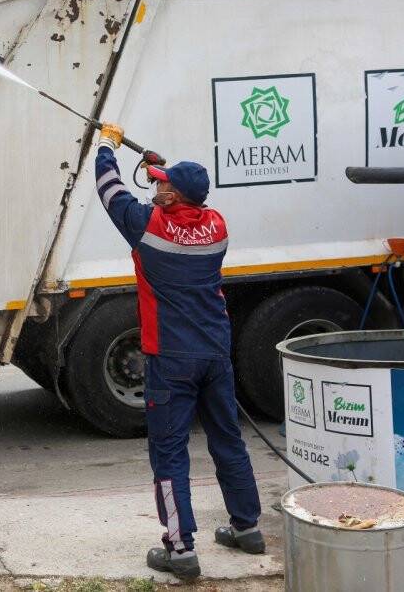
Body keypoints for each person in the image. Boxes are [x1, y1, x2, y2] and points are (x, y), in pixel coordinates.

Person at [93, 123, 264, 581]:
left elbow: (109, 189)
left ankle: (180, 547)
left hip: (169, 357)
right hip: (214, 352)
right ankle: (247, 528)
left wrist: (108, 145)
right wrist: (158, 170)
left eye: (162, 188)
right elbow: (179, 200)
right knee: (228, 440)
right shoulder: (217, 226)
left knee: (169, 453)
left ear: (172, 198)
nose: (156, 190)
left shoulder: (146, 226)